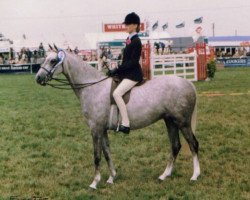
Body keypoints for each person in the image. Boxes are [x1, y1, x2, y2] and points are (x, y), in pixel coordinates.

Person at [106, 12, 143, 134]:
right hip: (126, 73)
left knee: (117, 93)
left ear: (135, 25)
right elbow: (125, 59)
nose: (126, 26)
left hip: (133, 74)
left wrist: (117, 69)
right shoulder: (129, 39)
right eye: (126, 24)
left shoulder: (136, 41)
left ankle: (126, 124)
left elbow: (132, 62)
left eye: (128, 24)